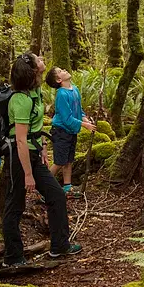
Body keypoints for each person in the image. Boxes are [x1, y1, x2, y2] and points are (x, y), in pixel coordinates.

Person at [2, 52, 82, 267]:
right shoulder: (20, 99)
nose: (42, 60)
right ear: (32, 70)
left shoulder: (35, 90)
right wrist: (28, 174)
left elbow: (36, 128)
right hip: (19, 157)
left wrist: (44, 147)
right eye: (38, 60)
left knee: (56, 195)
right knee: (15, 205)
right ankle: (13, 257)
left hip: (34, 153)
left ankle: (60, 246)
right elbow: (19, 140)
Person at [45, 66, 96, 196]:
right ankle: (44, 187)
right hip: (61, 131)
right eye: (61, 71)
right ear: (58, 79)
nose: (65, 70)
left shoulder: (75, 89)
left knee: (68, 160)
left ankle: (67, 187)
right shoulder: (61, 94)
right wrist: (84, 125)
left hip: (71, 131)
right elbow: (66, 118)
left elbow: (79, 109)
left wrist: (85, 118)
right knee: (59, 162)